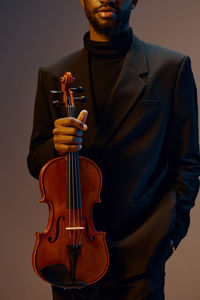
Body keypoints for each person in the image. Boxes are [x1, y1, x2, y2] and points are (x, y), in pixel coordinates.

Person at [27, 0, 200, 299]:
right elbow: (36, 161)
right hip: (71, 253)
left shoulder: (171, 69)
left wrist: (169, 236)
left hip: (142, 255)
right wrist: (56, 147)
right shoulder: (53, 75)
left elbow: (188, 162)